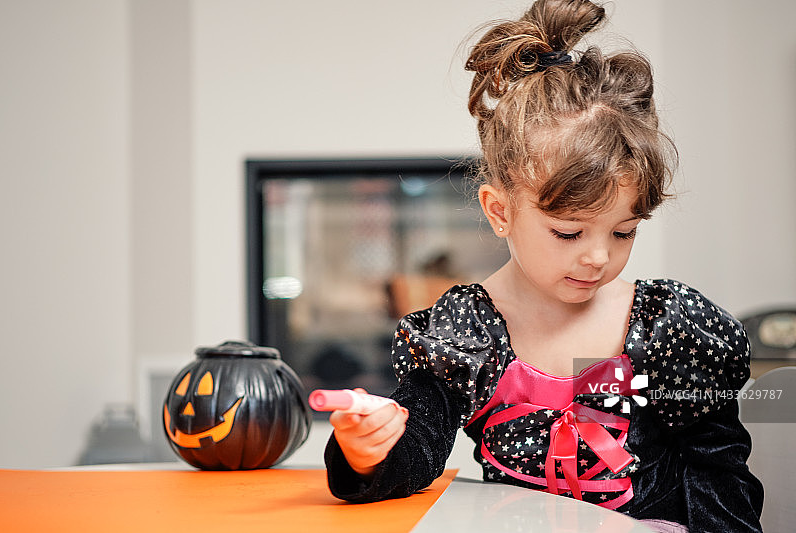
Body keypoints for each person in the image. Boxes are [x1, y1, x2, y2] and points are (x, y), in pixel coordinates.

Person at [322, 1, 764, 531]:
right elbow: (417, 455)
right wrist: (367, 449)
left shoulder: (667, 328)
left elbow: (719, 474)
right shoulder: (464, 334)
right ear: (500, 211)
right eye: (569, 232)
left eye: (623, 231)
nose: (599, 256)